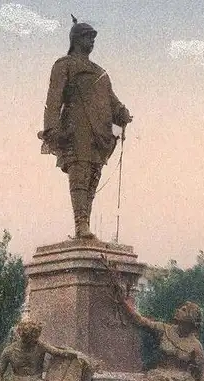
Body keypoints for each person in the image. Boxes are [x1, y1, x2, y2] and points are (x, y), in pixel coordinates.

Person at [38, 16, 132, 239]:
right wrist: (51, 128)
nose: (92, 42)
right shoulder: (64, 65)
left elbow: (111, 101)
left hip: (99, 134)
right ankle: (81, 224)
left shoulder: (100, 72)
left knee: (92, 178)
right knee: (79, 176)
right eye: (88, 37)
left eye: (93, 38)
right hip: (76, 129)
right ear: (76, 39)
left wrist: (122, 113)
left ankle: (85, 224)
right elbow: (53, 99)